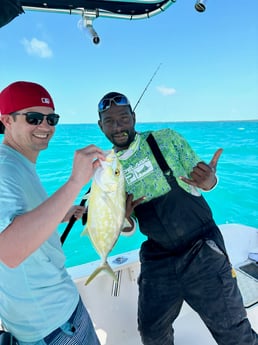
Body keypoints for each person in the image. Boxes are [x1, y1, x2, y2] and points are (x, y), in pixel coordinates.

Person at [97, 91, 258, 345]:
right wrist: (124, 218)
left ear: (133, 117)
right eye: (109, 121)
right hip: (158, 257)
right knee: (151, 332)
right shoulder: (107, 169)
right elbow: (126, 228)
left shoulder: (167, 139)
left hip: (202, 248)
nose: (118, 127)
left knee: (235, 333)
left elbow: (204, 180)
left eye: (123, 118)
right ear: (100, 125)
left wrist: (210, 181)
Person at [0, 81, 105, 345]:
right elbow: (9, 250)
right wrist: (74, 183)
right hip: (55, 325)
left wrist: (64, 213)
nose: (45, 126)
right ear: (6, 120)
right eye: (33, 118)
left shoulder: (16, 162)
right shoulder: (4, 168)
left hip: (43, 318)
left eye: (51, 118)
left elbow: (17, 219)